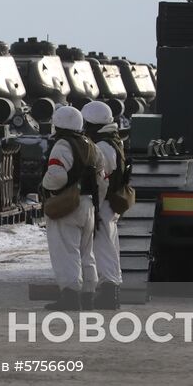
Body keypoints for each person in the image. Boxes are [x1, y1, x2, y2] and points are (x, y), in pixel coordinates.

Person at [40, 105, 102, 311]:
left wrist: (46, 186)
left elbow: (57, 176)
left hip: (67, 204)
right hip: (88, 204)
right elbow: (102, 176)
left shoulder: (62, 146)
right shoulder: (90, 144)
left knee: (66, 251)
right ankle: (88, 295)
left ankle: (70, 295)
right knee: (86, 251)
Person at [83, 101, 123, 310]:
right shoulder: (112, 141)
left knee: (103, 247)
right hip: (108, 202)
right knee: (109, 245)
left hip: (104, 202)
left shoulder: (103, 146)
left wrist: (95, 207)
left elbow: (101, 180)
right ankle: (111, 289)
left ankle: (109, 292)